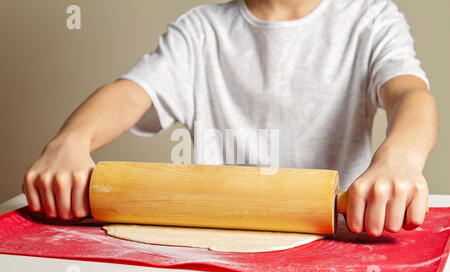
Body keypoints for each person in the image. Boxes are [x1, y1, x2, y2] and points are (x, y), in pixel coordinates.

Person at [22, 0, 439, 237]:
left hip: (336, 237)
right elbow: (131, 94)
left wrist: (399, 159)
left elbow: (409, 94)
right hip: (212, 245)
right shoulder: (201, 31)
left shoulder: (368, 19)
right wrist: (70, 142)